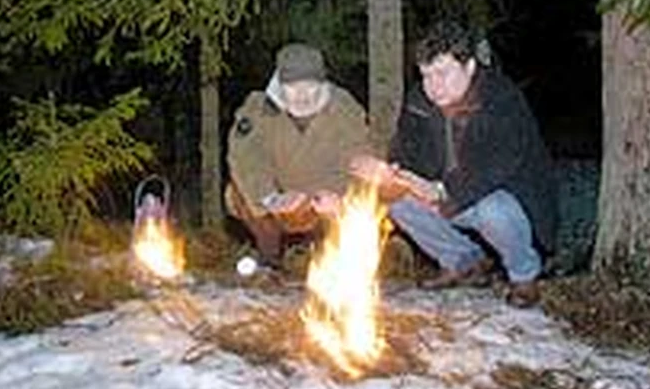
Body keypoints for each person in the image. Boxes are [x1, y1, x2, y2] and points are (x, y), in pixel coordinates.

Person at [351, 20, 557, 306]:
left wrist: (442, 191)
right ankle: (464, 263)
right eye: (426, 75)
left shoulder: (500, 98)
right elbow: (405, 151)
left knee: (493, 209)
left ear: (469, 67)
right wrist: (393, 173)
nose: (433, 86)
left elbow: (497, 166)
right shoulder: (418, 100)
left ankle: (524, 276)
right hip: (445, 196)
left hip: (504, 201)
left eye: (442, 73)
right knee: (395, 201)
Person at [226, 42, 370, 267]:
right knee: (236, 193)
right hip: (277, 201)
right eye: (293, 86)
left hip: (323, 202)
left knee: (368, 193)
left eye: (310, 85)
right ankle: (269, 256)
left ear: (322, 82)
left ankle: (326, 254)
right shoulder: (258, 107)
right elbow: (245, 157)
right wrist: (271, 197)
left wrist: (336, 195)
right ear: (280, 83)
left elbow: (357, 156)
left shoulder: (344, 107)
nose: (302, 95)